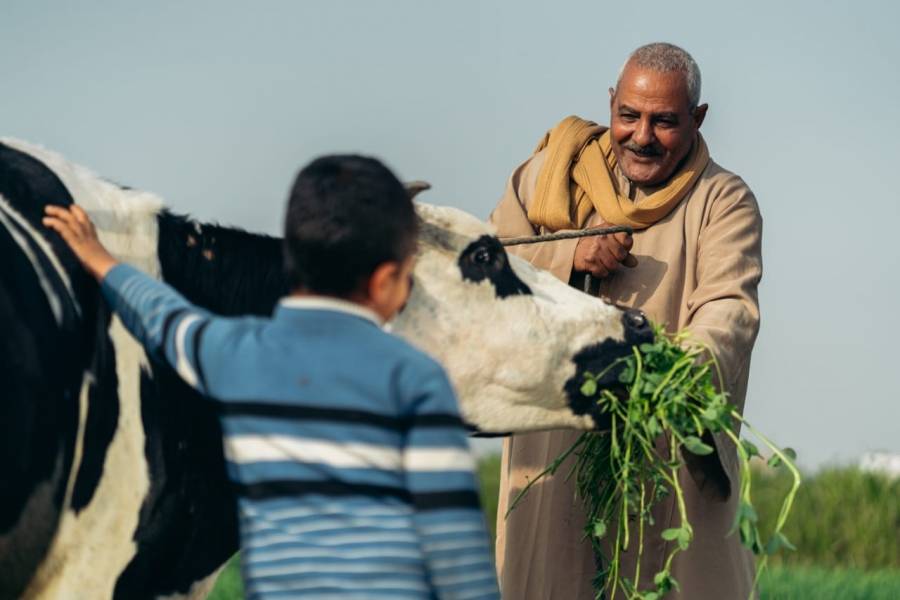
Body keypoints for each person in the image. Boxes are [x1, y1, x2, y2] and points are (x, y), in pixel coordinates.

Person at [44, 155, 500, 600]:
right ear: (384, 282)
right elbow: (455, 550)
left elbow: (167, 319)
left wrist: (102, 261)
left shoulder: (240, 353)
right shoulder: (414, 379)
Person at [490, 43, 763, 599]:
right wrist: (568, 257)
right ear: (610, 105)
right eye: (629, 116)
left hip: (664, 451)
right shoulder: (549, 175)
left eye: (664, 122)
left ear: (698, 119)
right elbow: (482, 267)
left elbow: (728, 312)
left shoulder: (723, 200)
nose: (642, 136)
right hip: (552, 452)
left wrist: (665, 372)